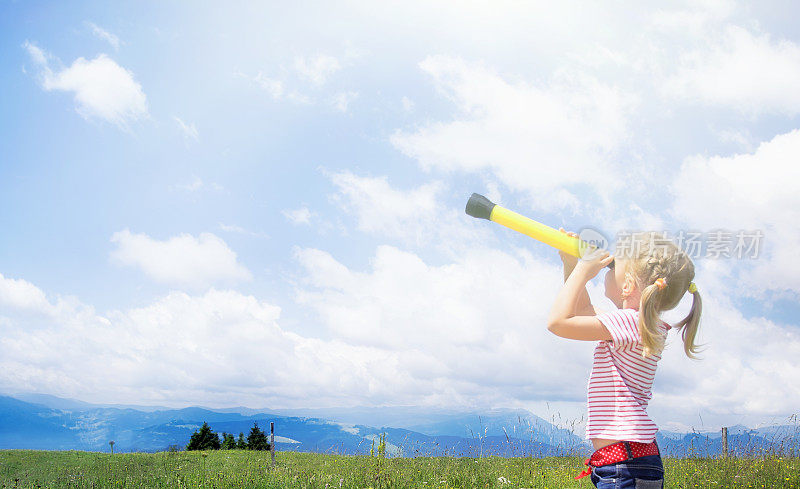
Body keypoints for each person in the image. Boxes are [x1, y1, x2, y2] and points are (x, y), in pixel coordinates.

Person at [547, 230, 702, 489]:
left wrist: (583, 270)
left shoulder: (629, 324)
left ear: (628, 286)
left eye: (613, 267)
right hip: (627, 461)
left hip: (625, 465)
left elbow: (558, 322)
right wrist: (571, 265)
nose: (608, 267)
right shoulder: (636, 325)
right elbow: (580, 311)